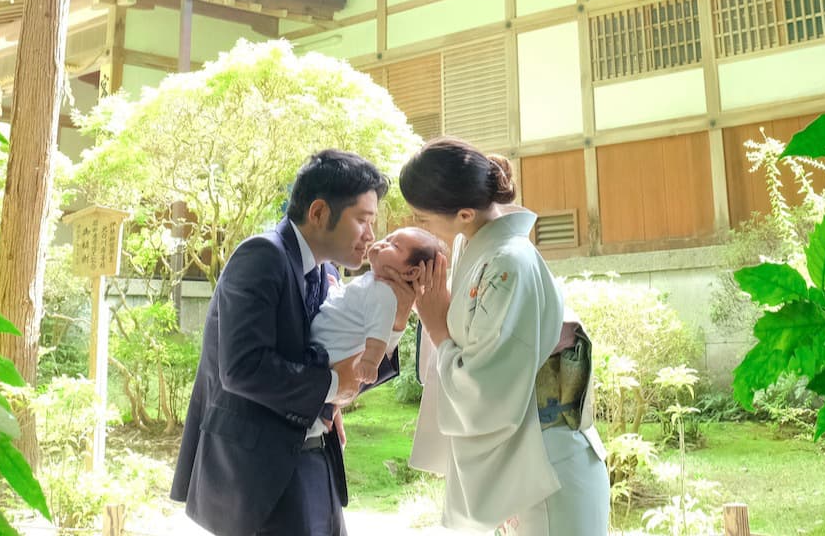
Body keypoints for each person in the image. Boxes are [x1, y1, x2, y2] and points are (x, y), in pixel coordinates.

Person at [171, 149, 400, 536]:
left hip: (314, 458)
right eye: (362, 220)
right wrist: (328, 387)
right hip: (261, 479)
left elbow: (340, 362)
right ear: (319, 213)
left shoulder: (325, 269)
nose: (371, 236)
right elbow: (243, 368)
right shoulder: (261, 256)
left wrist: (398, 314)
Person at [400, 138, 610, 536]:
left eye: (422, 217)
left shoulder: (508, 261)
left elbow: (486, 389)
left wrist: (436, 325)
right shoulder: (472, 247)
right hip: (522, 462)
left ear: (464, 213)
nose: (418, 226)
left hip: (548, 465)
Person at [310, 226, 445, 384]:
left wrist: (370, 362)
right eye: (388, 239)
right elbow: (352, 301)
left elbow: (378, 333)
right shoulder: (372, 280)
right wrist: (336, 289)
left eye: (395, 246)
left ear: (411, 272)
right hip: (324, 348)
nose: (381, 243)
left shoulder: (384, 294)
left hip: (328, 354)